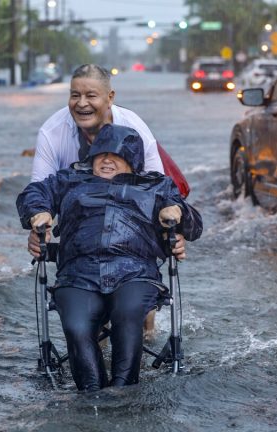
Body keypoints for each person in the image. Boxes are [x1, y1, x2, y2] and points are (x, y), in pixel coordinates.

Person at [17, 124, 202, 391]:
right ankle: (91, 394)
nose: (106, 160)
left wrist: (177, 210)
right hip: (78, 273)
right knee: (77, 325)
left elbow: (195, 227)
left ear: (133, 160)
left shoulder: (156, 186)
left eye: (116, 155)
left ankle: (122, 392)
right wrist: (38, 212)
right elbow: (33, 193)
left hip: (135, 272)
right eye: (100, 154)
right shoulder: (69, 180)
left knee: (128, 315)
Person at [28, 63, 187, 260]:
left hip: (130, 234)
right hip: (81, 231)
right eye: (75, 95)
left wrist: (172, 231)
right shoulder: (52, 132)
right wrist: (38, 223)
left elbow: (158, 189)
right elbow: (39, 190)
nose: (82, 103)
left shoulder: (134, 128)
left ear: (110, 97)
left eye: (91, 96)